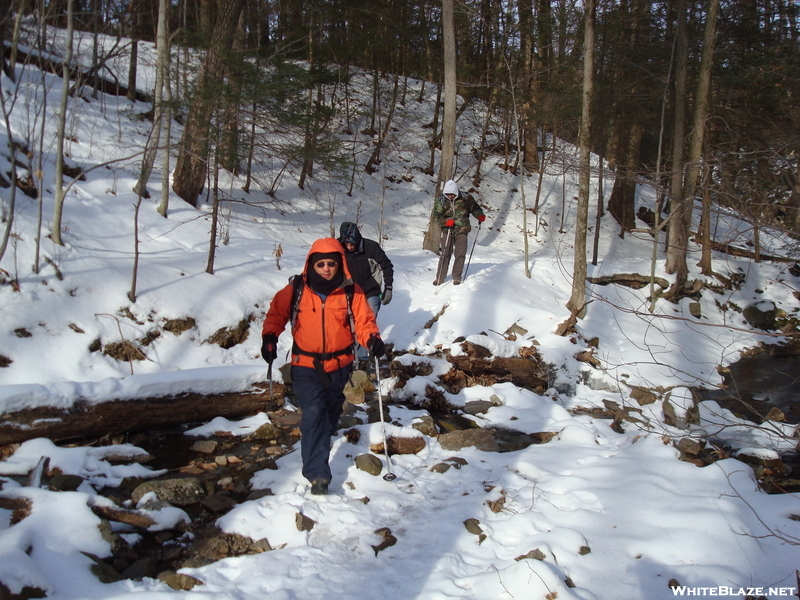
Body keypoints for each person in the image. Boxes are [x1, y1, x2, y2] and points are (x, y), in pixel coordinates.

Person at [261, 238, 386, 495]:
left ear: (340, 264)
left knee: (329, 413)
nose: (326, 268)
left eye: (331, 263)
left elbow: (364, 323)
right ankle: (318, 473)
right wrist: (270, 337)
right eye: (321, 264)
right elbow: (276, 314)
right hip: (306, 365)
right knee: (314, 412)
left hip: (340, 365)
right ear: (311, 264)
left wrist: (372, 340)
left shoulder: (352, 291)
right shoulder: (296, 289)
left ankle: (320, 439)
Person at [338, 222, 394, 363]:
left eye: (352, 244)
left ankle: (365, 357)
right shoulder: (338, 247)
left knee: (366, 321)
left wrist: (388, 288)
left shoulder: (371, 247)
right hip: (349, 290)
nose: (350, 247)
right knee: (349, 324)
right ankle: (352, 357)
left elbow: (387, 266)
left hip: (370, 290)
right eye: (347, 244)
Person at [433, 179, 486, 285]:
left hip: (462, 228)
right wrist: (446, 222)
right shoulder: (441, 201)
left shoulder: (465, 197)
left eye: (452, 194)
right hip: (447, 229)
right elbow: (436, 216)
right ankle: (440, 277)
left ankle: (457, 276)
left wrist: (479, 215)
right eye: (448, 194)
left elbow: (475, 208)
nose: (450, 196)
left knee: (460, 253)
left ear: (456, 192)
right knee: (445, 253)